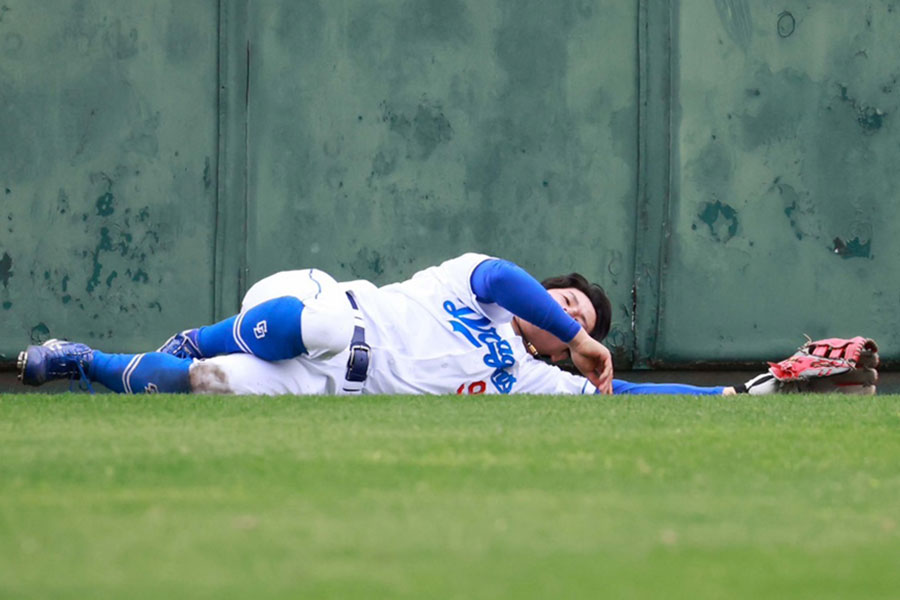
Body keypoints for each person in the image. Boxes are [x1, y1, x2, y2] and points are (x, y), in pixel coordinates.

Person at [17, 253, 739, 396]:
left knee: (209, 387)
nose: (567, 317)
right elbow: (500, 275)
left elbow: (631, 401)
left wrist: (729, 400)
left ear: (555, 346)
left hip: (326, 385)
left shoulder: (531, 381)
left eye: (575, 320)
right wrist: (582, 334)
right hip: (309, 303)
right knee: (331, 325)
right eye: (565, 303)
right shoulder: (479, 284)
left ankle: (83, 361)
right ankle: (193, 337)